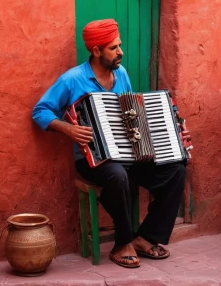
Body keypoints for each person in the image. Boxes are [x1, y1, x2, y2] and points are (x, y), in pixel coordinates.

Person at [32, 19, 187, 269]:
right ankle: (122, 243)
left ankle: (146, 237)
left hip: (128, 153)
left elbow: (129, 111)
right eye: (113, 48)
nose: (120, 52)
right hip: (91, 158)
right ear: (96, 51)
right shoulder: (72, 80)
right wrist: (68, 128)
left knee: (176, 169)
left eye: (120, 46)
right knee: (116, 175)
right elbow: (40, 111)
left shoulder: (121, 74)